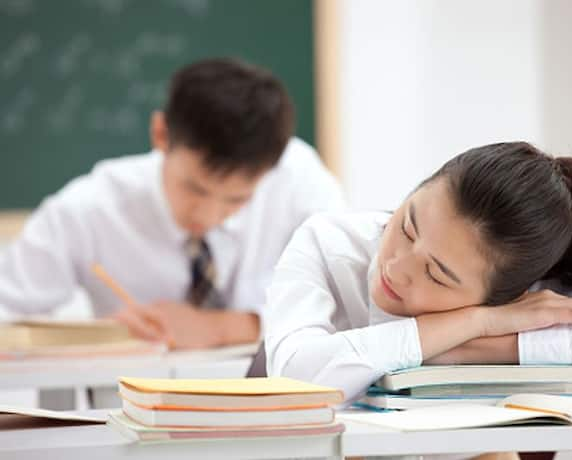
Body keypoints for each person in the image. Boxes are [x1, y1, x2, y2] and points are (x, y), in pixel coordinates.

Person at [265, 141, 572, 404]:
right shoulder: (330, 242)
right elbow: (297, 377)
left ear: (510, 292)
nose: (396, 266)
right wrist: (481, 321)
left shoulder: (531, 287)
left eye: (437, 275)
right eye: (408, 227)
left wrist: (465, 346)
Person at [0, 57, 344, 349]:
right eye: (194, 189)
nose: (207, 215)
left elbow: (352, 303)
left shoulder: (297, 179)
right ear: (161, 134)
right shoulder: (90, 208)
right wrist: (100, 334)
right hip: (121, 418)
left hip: (279, 412)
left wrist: (225, 327)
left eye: (237, 200)